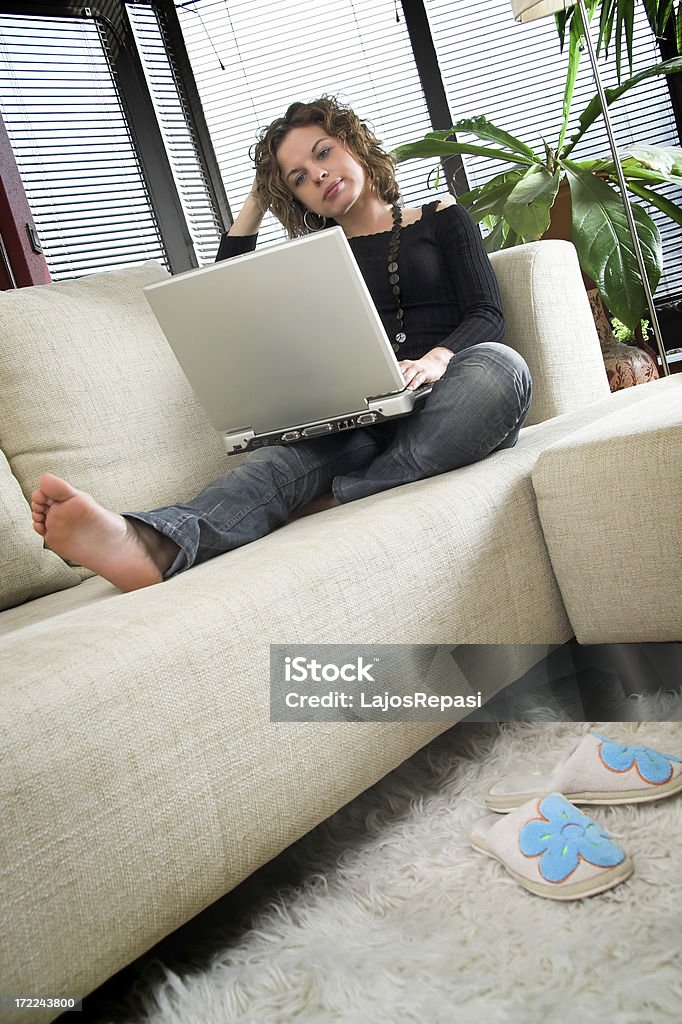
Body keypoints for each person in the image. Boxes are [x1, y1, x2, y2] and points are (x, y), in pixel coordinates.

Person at [30, 96, 532, 593]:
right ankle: (150, 544)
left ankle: (342, 494)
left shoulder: (441, 215)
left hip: (451, 401)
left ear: (354, 145)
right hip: (363, 418)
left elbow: (486, 313)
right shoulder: (311, 257)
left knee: (501, 368)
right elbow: (224, 289)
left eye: (322, 152)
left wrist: (436, 359)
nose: (316, 175)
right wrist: (256, 199)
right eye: (296, 179)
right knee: (275, 465)